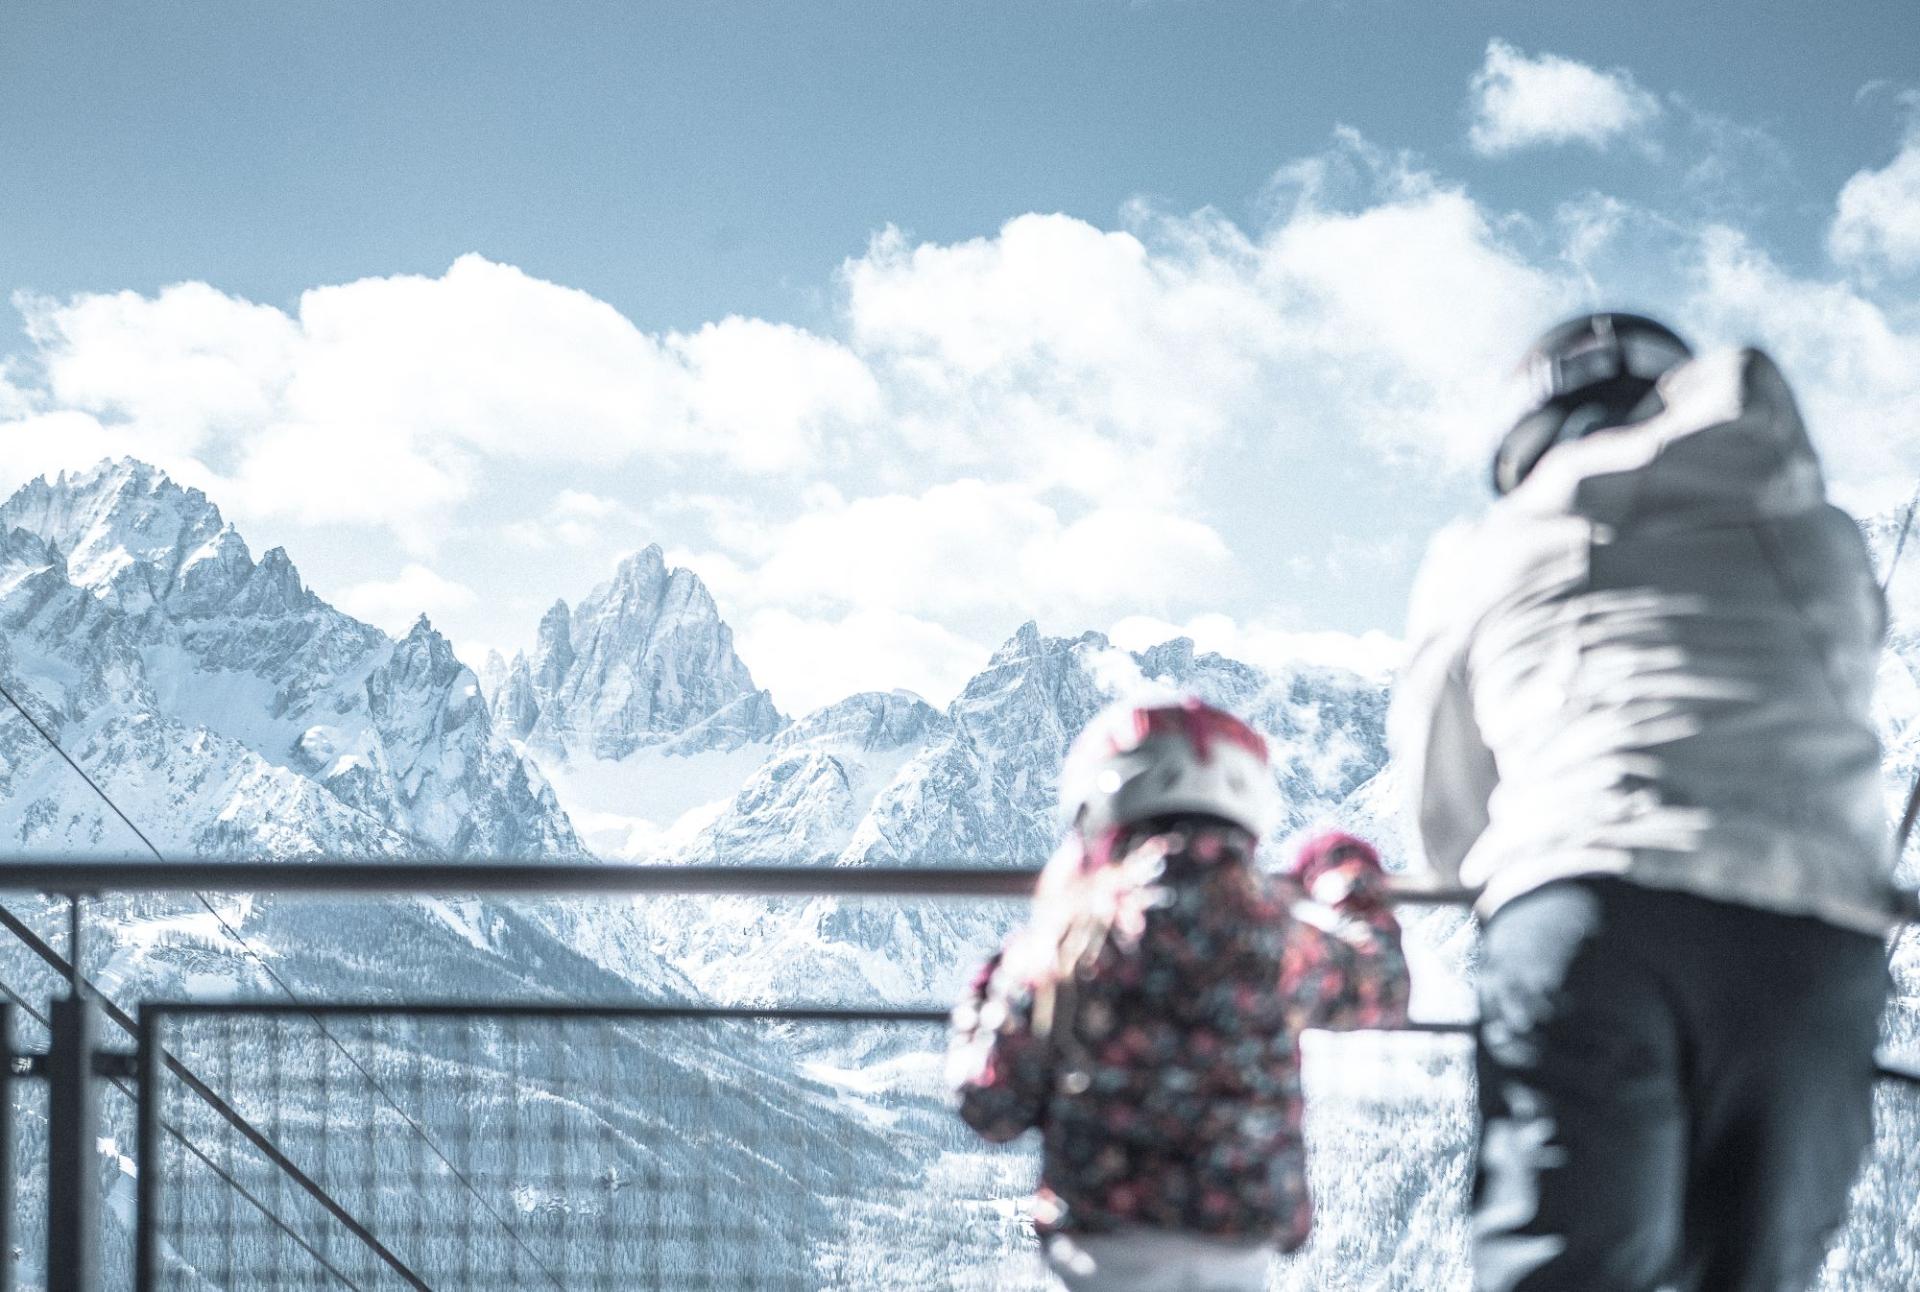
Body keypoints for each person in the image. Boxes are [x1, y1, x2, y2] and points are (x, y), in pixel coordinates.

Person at [1391, 312, 1901, 1292]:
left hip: (1588, 909)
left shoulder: (1487, 548)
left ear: (1526, 439)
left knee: (1565, 1266)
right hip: (1813, 929)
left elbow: (1446, 814)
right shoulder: (1822, 536)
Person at [949, 696, 1410, 1292]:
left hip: (1103, 1238)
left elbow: (991, 1107)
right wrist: (1341, 869)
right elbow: (1384, 985)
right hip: (1236, 1233)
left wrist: (993, 976)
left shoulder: (1065, 943)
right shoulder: (1283, 940)